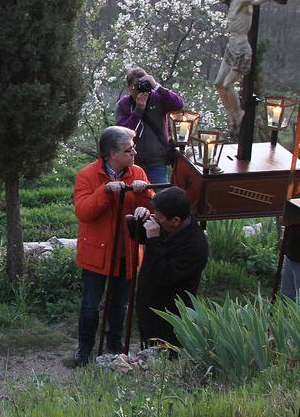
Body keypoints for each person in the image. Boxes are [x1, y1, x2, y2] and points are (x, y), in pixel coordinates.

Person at [71, 126, 153, 364]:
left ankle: (115, 346)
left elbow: (152, 206)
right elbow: (84, 212)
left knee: (120, 304)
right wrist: (105, 192)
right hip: (97, 253)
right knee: (90, 305)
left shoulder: (137, 173)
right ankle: (84, 348)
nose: (134, 153)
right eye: (129, 150)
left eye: (133, 148)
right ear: (112, 154)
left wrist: (144, 197)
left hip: (126, 251)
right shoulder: (86, 176)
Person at [131, 187, 210, 351]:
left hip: (170, 315)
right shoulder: (168, 226)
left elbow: (164, 276)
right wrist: (139, 217)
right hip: (149, 306)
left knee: (163, 357)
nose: (155, 221)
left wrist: (154, 240)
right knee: (148, 349)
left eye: (158, 218)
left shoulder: (195, 245)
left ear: (175, 220)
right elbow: (138, 234)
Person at [212, 0, 280, 133]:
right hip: (231, 45)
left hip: (242, 49)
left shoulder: (241, 0)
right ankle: (229, 112)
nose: (221, 3)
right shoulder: (231, 0)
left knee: (228, 84)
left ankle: (238, 113)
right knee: (218, 83)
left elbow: (255, 0)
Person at [115, 68, 185, 186]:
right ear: (128, 87)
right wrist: (138, 110)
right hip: (131, 164)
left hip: (156, 163)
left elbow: (179, 104)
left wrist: (156, 86)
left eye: (144, 85)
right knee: (133, 201)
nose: (140, 89)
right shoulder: (123, 105)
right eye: (136, 86)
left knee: (158, 201)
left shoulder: (157, 98)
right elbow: (123, 134)